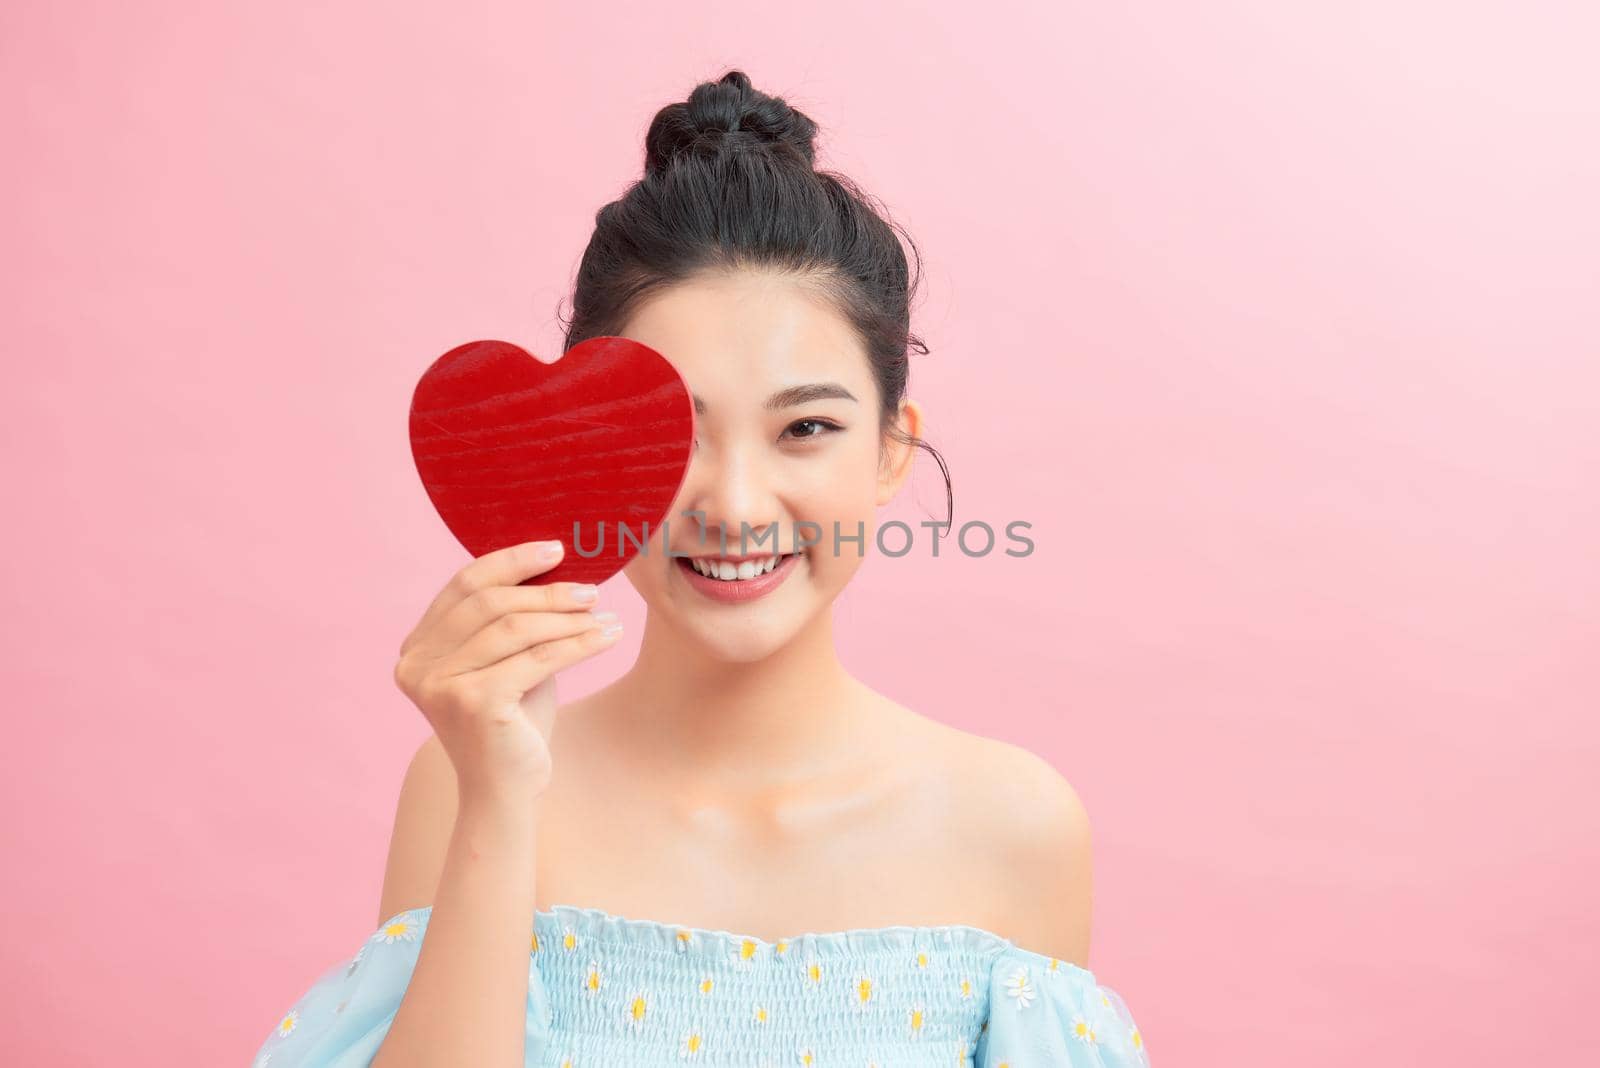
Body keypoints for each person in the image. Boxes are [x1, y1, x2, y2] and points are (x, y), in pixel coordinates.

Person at [251, 69, 1150, 1067]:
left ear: (893, 448)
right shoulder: (470, 787)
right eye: (669, 433)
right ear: (579, 450)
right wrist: (500, 806)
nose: (732, 505)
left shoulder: (1011, 825)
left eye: (804, 427)